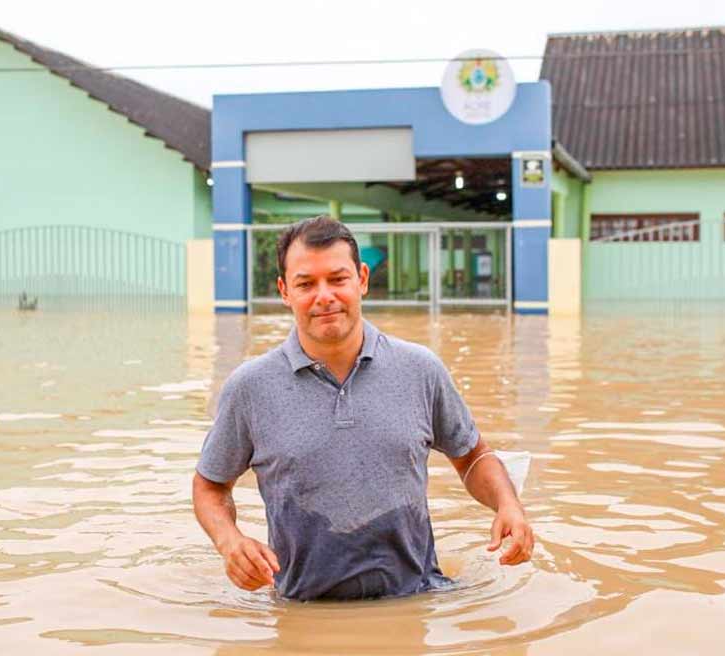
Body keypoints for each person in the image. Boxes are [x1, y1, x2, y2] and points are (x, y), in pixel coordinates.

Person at [193, 215, 534, 601]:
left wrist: (508, 504)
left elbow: (472, 456)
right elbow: (210, 485)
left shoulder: (420, 369)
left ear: (363, 280)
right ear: (284, 291)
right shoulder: (250, 388)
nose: (324, 296)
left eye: (338, 279)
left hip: (415, 602)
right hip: (303, 611)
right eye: (306, 284)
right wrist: (230, 542)